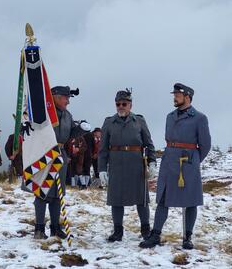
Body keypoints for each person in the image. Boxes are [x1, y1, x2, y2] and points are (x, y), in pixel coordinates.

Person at [139, 83, 211, 250]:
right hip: (169, 162)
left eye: (177, 94)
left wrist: (193, 162)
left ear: (187, 96)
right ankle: (155, 235)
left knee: (191, 201)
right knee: (163, 199)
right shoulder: (169, 116)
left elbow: (205, 145)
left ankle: (187, 237)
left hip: (188, 164)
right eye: (174, 94)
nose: (174, 97)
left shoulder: (200, 118)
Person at [98, 89, 156, 242]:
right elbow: (103, 149)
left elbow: (149, 144)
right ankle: (118, 231)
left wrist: (152, 162)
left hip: (136, 165)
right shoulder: (108, 122)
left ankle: (145, 229)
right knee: (116, 199)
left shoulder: (139, 121)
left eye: (124, 104)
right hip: (116, 164)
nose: (121, 106)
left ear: (130, 105)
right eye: (118, 104)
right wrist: (102, 169)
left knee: (141, 199)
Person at [34, 86, 91, 239]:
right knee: (42, 193)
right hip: (44, 155)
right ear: (56, 97)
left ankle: (55, 228)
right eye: (66, 98)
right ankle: (39, 229)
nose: (68, 102)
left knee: (57, 194)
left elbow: (71, 133)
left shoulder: (67, 115)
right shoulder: (43, 113)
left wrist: (82, 129)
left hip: (60, 155)